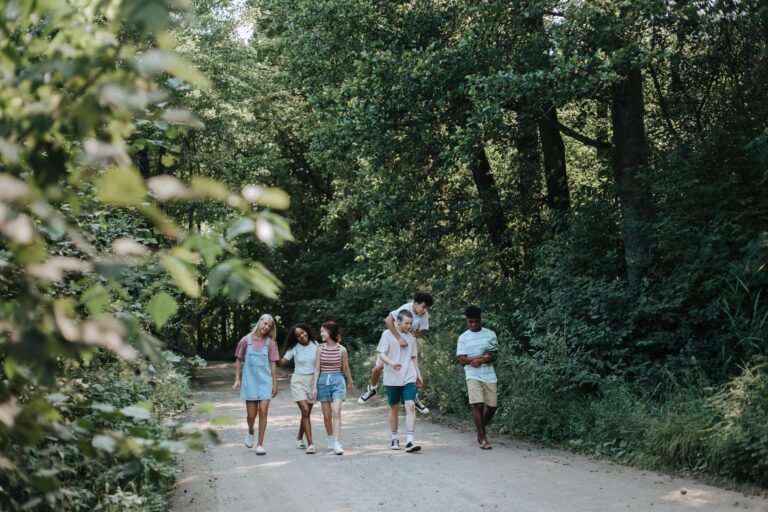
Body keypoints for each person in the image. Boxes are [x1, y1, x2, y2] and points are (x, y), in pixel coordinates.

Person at [358, 291, 433, 414]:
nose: (424, 310)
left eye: (427, 308)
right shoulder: (405, 308)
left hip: (407, 344)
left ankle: (413, 397)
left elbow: (424, 329)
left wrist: (416, 334)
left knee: (410, 370)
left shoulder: (424, 314)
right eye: (423, 307)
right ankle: (372, 389)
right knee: (377, 368)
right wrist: (399, 337)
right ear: (416, 304)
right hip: (393, 340)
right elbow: (388, 320)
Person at [232, 314, 279, 455]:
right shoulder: (245, 341)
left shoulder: (270, 343)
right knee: (251, 415)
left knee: (263, 410)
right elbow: (238, 360)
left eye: (269, 326)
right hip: (250, 382)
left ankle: (260, 444)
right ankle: (251, 431)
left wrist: (275, 384)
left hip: (265, 382)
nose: (266, 327)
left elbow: (273, 364)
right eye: (265, 323)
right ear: (259, 322)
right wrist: (237, 379)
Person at [377, 309, 422, 452]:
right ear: (398, 322)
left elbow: (413, 357)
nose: (409, 326)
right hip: (392, 377)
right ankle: (394, 438)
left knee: (410, 405)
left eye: (411, 323)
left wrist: (418, 374)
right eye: (406, 323)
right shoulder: (387, 334)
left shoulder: (412, 338)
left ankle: (410, 441)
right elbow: (381, 354)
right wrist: (390, 363)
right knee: (394, 408)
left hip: (409, 375)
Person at [456, 305, 498, 450]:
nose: (473, 324)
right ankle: (483, 439)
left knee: (492, 407)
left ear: (480, 320)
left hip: (489, 375)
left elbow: (493, 356)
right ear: (467, 322)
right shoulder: (463, 337)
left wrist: (480, 360)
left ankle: (480, 428)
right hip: (472, 375)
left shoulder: (490, 334)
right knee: (478, 404)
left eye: (476, 321)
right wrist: (481, 357)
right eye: (470, 322)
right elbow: (462, 360)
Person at [310, 321, 353, 455]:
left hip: (337, 381)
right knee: (327, 415)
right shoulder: (320, 349)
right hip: (323, 381)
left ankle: (336, 442)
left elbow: (345, 367)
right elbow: (317, 368)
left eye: (323, 331)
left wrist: (350, 381)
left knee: (336, 411)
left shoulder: (342, 349)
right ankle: (330, 438)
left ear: (330, 332)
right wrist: (314, 387)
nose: (321, 333)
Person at [278, 324, 319, 454]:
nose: (302, 336)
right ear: (296, 338)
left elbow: (321, 363)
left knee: (306, 414)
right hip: (298, 381)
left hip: (313, 382)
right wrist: (273, 353)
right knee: (305, 410)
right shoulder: (294, 348)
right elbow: (282, 362)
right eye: (298, 335)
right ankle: (311, 444)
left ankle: (299, 438)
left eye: (303, 332)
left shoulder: (316, 345)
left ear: (307, 331)